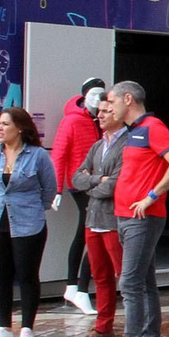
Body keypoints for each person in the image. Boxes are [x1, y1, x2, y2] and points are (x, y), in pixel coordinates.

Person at [97, 81, 169, 337]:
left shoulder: (152, 127)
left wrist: (151, 196)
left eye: (112, 101)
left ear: (128, 99)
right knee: (144, 284)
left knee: (131, 284)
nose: (108, 107)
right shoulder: (134, 131)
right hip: (126, 217)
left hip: (141, 219)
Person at [0, 107, 58, 337]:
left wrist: (32, 207)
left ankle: (27, 327)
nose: (0, 128)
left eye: (6, 124)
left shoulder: (38, 155)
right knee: (0, 275)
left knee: (27, 274)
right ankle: (3, 326)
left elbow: (49, 190)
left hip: (28, 224)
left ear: (20, 128)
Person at [69, 91, 128, 337]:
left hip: (114, 220)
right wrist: (96, 180)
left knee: (125, 277)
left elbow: (115, 184)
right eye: (99, 111)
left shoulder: (128, 144)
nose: (100, 115)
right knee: (101, 276)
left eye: (107, 111)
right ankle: (103, 327)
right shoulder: (97, 145)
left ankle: (140, 330)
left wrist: (92, 183)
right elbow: (76, 178)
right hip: (93, 219)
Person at [52, 76, 106, 316]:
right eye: (93, 94)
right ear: (84, 96)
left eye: (101, 94)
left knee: (84, 232)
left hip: (98, 183)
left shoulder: (102, 119)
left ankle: (74, 287)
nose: (97, 99)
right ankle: (81, 288)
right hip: (80, 184)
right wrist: (56, 189)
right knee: (93, 231)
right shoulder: (72, 121)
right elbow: (59, 154)